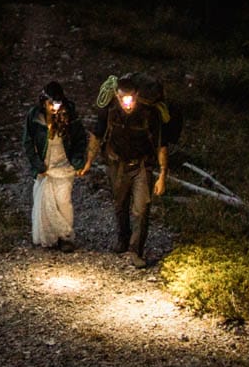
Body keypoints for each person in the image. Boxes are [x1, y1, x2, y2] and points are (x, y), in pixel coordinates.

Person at [79, 73, 169, 268]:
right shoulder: (109, 111)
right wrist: (88, 162)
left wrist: (162, 175)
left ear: (136, 95)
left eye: (131, 99)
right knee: (120, 204)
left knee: (141, 208)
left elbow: (161, 145)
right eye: (123, 99)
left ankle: (136, 251)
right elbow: (96, 135)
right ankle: (123, 239)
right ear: (117, 96)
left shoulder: (149, 114)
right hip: (117, 163)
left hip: (142, 166)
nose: (127, 103)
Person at [23, 80, 86, 251]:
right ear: (44, 101)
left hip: (64, 165)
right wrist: (37, 165)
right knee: (43, 202)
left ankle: (65, 237)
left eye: (57, 103)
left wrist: (78, 161)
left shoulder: (69, 115)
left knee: (63, 201)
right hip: (45, 166)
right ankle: (49, 235)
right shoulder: (34, 116)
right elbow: (28, 142)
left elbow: (80, 139)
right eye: (50, 103)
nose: (54, 107)